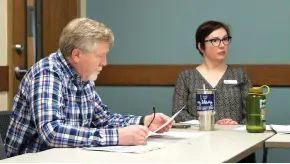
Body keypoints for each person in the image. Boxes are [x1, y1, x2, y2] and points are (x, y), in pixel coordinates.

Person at [5, 17, 174, 158]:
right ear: (77, 55)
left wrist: (144, 121)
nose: (105, 63)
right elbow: (52, 132)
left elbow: (104, 119)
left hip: (69, 157)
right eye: (100, 56)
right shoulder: (48, 74)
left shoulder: (83, 76)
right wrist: (117, 136)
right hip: (33, 159)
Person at [173, 20, 252, 125]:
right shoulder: (186, 77)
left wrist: (235, 125)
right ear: (201, 46)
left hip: (235, 137)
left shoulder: (240, 75)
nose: (222, 45)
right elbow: (178, 114)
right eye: (215, 40)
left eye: (225, 39)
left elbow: (252, 113)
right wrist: (209, 124)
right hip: (198, 137)